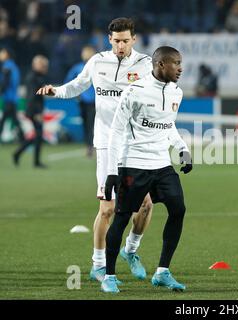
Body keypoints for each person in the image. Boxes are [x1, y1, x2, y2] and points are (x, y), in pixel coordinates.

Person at [36, 17, 154, 282]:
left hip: (136, 144)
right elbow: (78, 84)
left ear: (133, 39)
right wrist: (56, 91)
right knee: (107, 208)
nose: (120, 45)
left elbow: (157, 96)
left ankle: (130, 251)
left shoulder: (146, 65)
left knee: (146, 205)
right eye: (116, 41)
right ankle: (98, 265)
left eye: (125, 40)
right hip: (106, 144)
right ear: (109, 39)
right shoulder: (98, 61)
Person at [101, 46, 192, 293]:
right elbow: (117, 131)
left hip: (162, 164)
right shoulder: (135, 92)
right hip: (134, 164)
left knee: (178, 209)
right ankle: (108, 276)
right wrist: (111, 171)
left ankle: (162, 271)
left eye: (181, 63)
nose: (181, 68)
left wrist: (182, 148)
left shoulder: (176, 92)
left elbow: (168, 125)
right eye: (176, 63)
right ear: (160, 64)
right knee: (121, 217)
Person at [13, 55, 48, 168]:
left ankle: (20, 154)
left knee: (37, 136)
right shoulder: (33, 77)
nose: (44, 67)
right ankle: (32, 160)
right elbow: (33, 96)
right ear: (35, 65)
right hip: (34, 110)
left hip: (34, 109)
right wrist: (37, 112)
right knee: (38, 135)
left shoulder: (36, 76)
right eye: (42, 65)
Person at [65, 45, 96, 157]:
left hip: (95, 102)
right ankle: (89, 146)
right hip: (83, 101)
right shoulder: (78, 68)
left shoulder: (97, 67)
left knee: (91, 124)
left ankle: (91, 146)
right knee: (87, 124)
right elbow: (68, 81)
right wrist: (76, 93)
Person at [0, 47, 24, 143]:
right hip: (13, 98)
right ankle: (24, 139)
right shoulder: (14, 66)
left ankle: (24, 140)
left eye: (2, 53)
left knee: (7, 119)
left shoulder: (7, 67)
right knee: (12, 119)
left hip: (9, 98)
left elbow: (5, 83)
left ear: (7, 55)